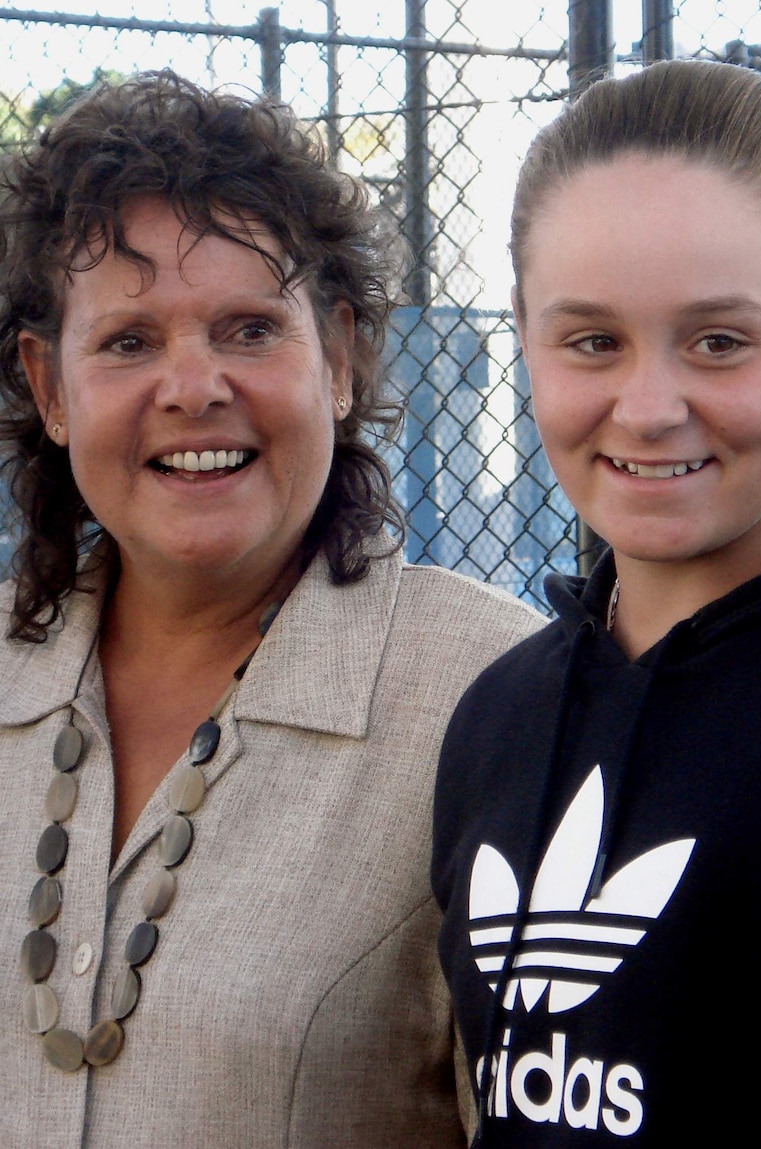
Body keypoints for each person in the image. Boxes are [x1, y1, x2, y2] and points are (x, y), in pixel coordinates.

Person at [0, 71, 544, 1147]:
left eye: (250, 329)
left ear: (338, 357)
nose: (193, 385)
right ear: (49, 389)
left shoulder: (493, 696)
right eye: (127, 342)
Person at [432, 58, 761, 1147]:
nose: (649, 406)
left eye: (719, 341)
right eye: (592, 343)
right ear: (524, 336)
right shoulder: (499, 717)